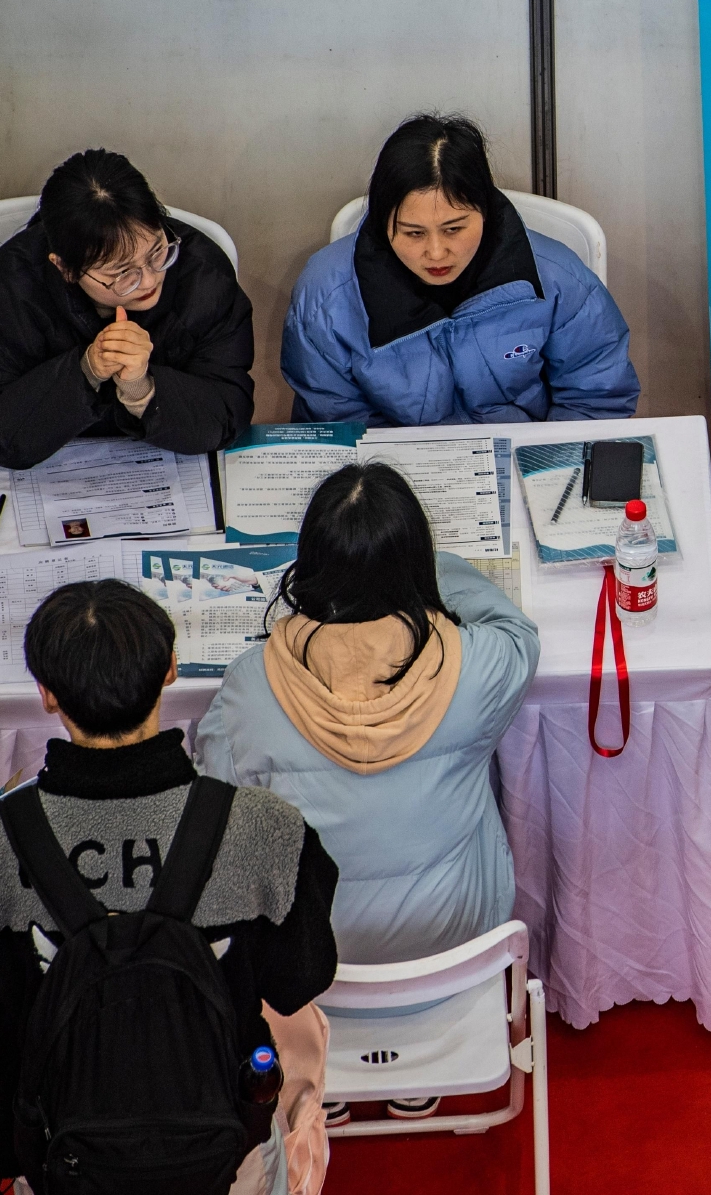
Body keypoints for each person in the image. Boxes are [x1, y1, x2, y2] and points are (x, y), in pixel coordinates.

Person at [0, 581, 338, 1193]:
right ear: (171, 671)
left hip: (56, 1145)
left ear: (46, 694)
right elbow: (298, 982)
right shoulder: (264, 828)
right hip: (225, 1143)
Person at [194, 462, 538, 1125]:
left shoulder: (247, 689)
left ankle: (336, 1087)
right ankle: (416, 1081)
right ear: (416, 566)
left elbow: (218, 806)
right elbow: (520, 634)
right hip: (455, 955)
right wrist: (441, 572)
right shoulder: (475, 668)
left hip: (314, 977)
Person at [283, 113, 638, 426]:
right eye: (413, 233)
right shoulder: (326, 296)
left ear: (485, 211)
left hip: (521, 465)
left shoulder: (558, 279)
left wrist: (543, 468)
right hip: (392, 480)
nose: (437, 253)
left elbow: (596, 400)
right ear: (381, 220)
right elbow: (335, 425)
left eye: (454, 229)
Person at [0, 148, 255, 469]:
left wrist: (143, 388)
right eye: (122, 273)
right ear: (65, 268)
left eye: (157, 253)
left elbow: (228, 415)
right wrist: (86, 371)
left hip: (166, 465)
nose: (149, 280)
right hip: (49, 472)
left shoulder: (204, 276)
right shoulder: (11, 286)